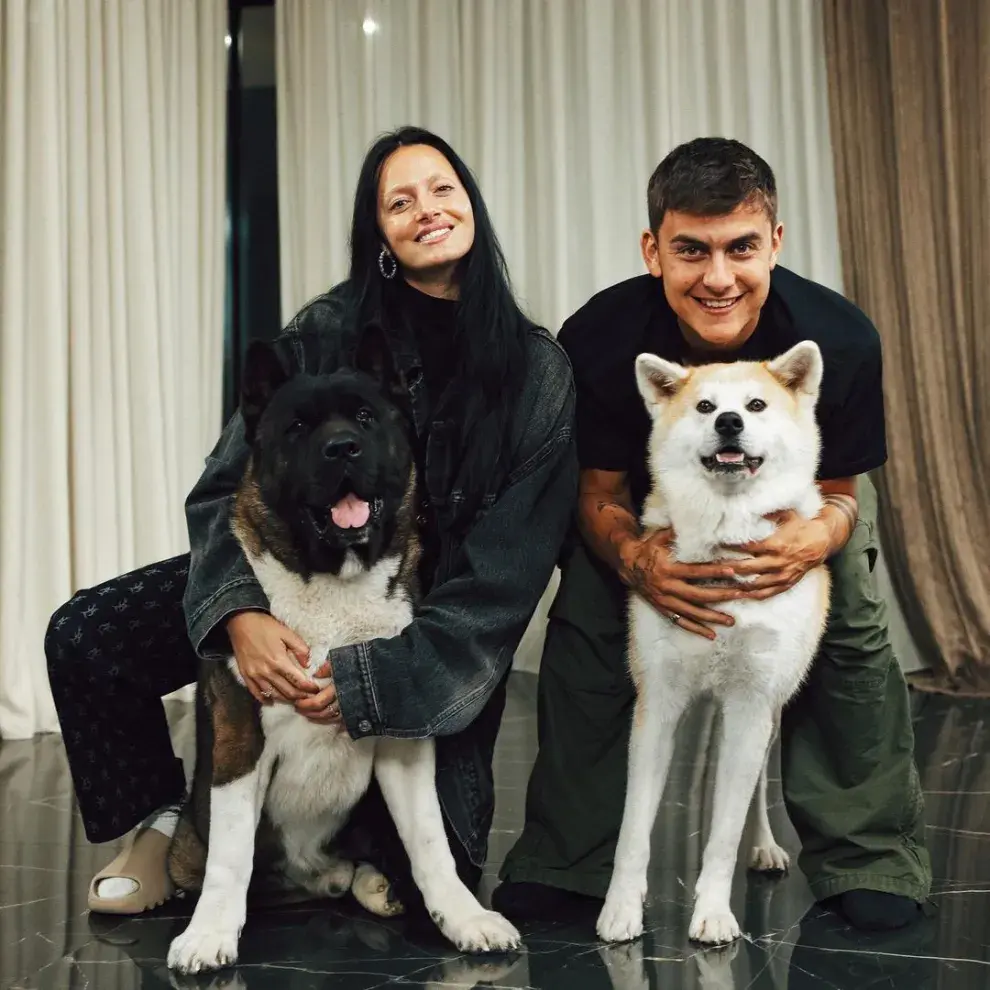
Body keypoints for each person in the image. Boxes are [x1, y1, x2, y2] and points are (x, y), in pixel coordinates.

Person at [45, 125, 577, 915]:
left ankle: (344, 848)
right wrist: (240, 613)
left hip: (425, 639)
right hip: (288, 582)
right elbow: (222, 488)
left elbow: (498, 594)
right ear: (381, 236)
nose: (425, 210)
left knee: (440, 878)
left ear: (473, 206)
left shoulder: (536, 374)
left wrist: (370, 682)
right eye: (400, 201)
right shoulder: (324, 329)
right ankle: (164, 823)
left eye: (442, 190)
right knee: (86, 636)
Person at [493, 137, 931, 932]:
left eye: (741, 249)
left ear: (776, 244)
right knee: (589, 625)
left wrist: (813, 542)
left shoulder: (841, 337)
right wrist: (633, 560)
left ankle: (868, 853)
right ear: (652, 249)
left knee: (857, 624)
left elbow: (842, 492)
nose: (719, 278)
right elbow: (596, 491)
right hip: (646, 521)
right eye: (691, 250)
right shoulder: (597, 336)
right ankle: (567, 855)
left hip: (793, 519)